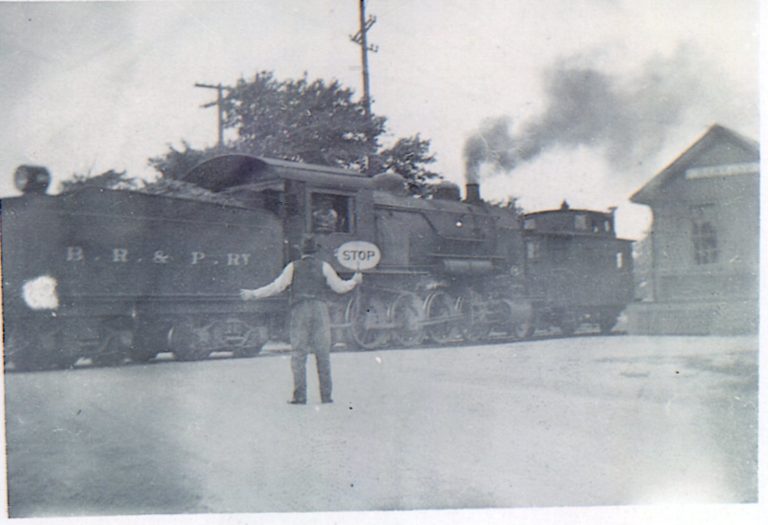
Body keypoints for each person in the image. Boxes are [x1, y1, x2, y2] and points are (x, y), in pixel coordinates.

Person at [240, 236, 362, 405]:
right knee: (323, 353)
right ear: (316, 251)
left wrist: (254, 293)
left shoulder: (292, 267)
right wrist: (354, 281)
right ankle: (326, 396)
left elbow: (277, 287)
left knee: (298, 354)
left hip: (300, 310)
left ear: (301, 251)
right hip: (320, 310)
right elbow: (339, 287)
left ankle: (300, 396)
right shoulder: (324, 267)